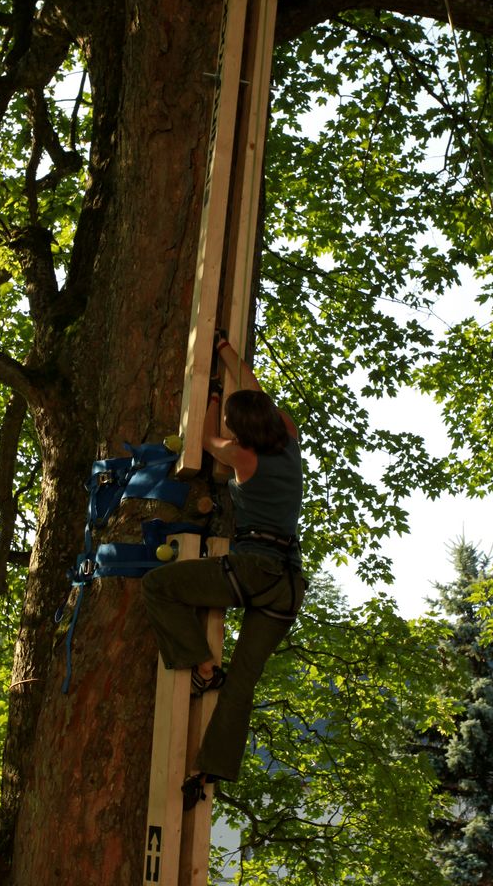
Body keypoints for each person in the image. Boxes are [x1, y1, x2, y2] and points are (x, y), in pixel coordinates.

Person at [141, 334, 305, 809]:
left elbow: (208, 439)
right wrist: (229, 355)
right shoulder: (287, 435)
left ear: (243, 431)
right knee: (246, 681)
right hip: (289, 584)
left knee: (159, 586)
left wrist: (212, 397)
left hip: (254, 568)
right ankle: (211, 769)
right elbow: (261, 398)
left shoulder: (241, 457)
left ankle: (204, 665)